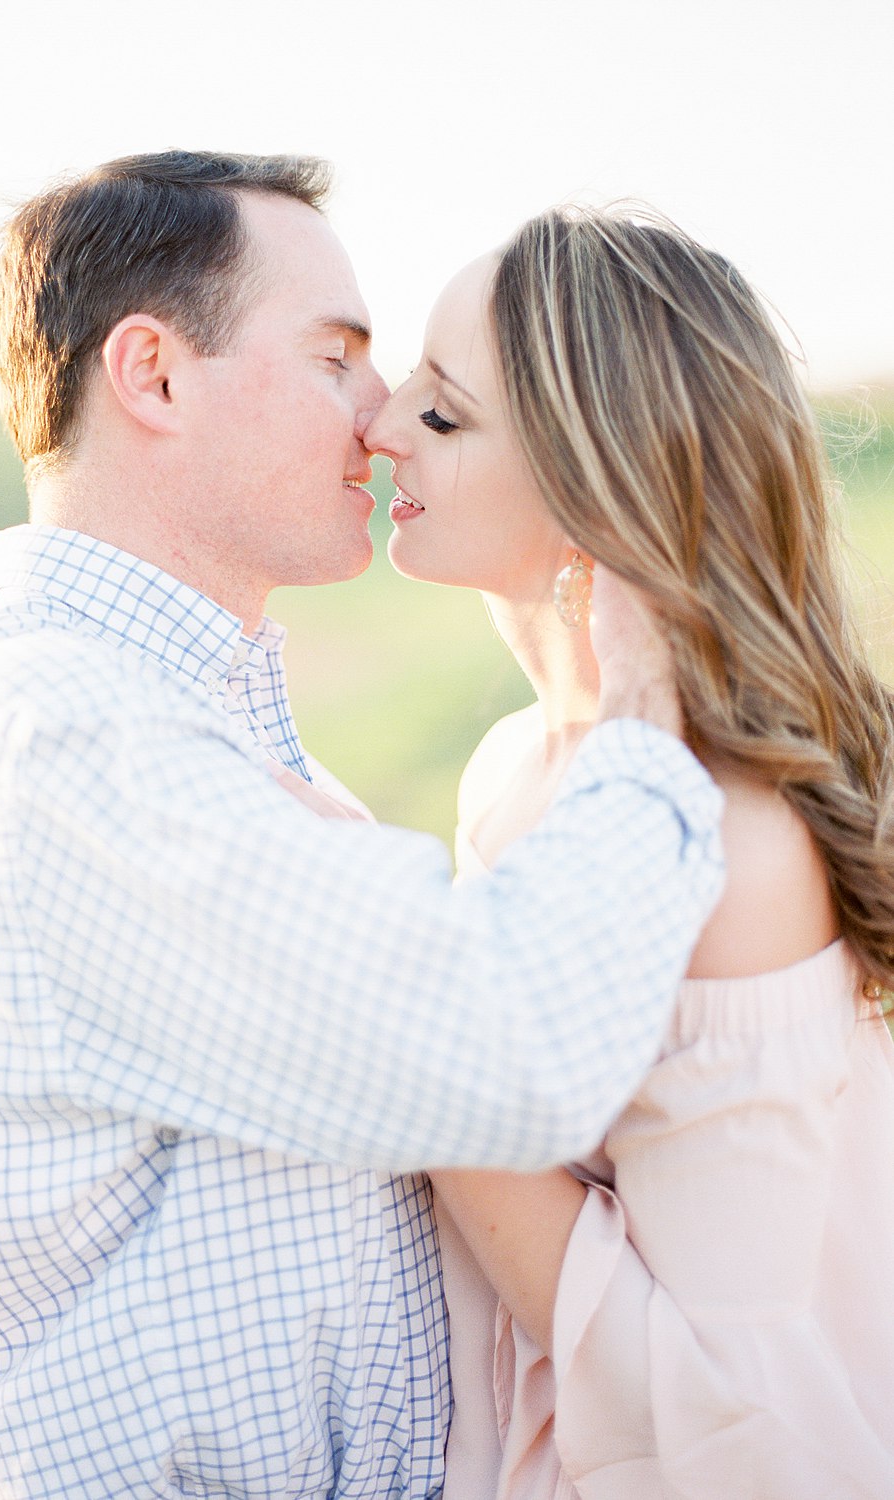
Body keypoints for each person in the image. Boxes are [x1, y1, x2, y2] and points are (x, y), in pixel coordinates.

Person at [0, 154, 725, 1500]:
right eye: (336, 358)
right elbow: (509, 1039)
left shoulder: (171, 722)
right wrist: (638, 723)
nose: (384, 415)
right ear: (151, 375)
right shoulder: (59, 737)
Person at [364, 205, 894, 1498]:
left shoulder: (740, 852)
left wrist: (406, 1045)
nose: (377, 427)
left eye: (440, 414)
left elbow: (731, 1408)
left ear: (591, 493)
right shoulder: (508, 768)